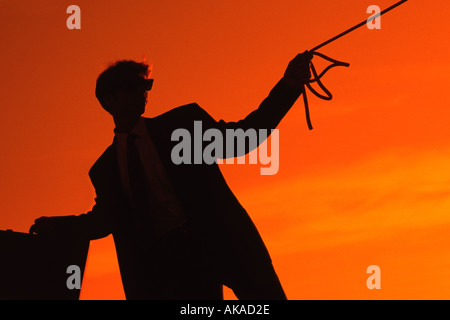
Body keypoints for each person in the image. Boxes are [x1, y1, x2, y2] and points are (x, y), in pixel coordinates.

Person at [30, 51, 313, 300]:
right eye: (133, 86)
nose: (143, 92)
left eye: (145, 85)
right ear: (109, 101)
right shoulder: (105, 169)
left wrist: (287, 87)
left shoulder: (183, 126)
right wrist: (58, 226)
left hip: (226, 243)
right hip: (174, 268)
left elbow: (243, 138)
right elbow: (105, 221)